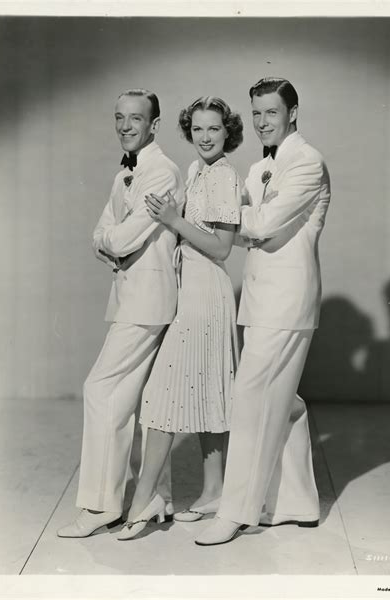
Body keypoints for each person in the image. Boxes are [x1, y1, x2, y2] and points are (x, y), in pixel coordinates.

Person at [196, 77, 331, 546]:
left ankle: (236, 511)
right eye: (255, 113)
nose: (260, 122)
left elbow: (266, 225)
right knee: (283, 402)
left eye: (270, 113)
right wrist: (243, 220)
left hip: (288, 303)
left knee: (251, 400)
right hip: (259, 301)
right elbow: (251, 226)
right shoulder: (258, 169)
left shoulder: (308, 162)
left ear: (292, 113)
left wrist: (232, 216)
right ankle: (295, 504)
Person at [57, 89, 184, 538]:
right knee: (132, 399)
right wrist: (107, 238)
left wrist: (109, 239)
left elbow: (122, 238)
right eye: (119, 118)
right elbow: (99, 231)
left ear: (154, 124)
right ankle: (157, 497)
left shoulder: (162, 171)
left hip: (148, 299)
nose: (126, 126)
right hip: (133, 297)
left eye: (136, 118)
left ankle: (101, 506)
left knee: (101, 389)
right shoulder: (125, 174)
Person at [116, 96, 243, 541]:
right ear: (190, 131)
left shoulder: (225, 176)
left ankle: (143, 501)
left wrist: (172, 218)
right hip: (189, 287)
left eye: (214, 129)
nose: (206, 137)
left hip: (207, 292)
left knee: (164, 396)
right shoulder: (195, 171)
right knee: (206, 390)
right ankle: (214, 491)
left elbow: (223, 248)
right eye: (199, 129)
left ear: (228, 132)